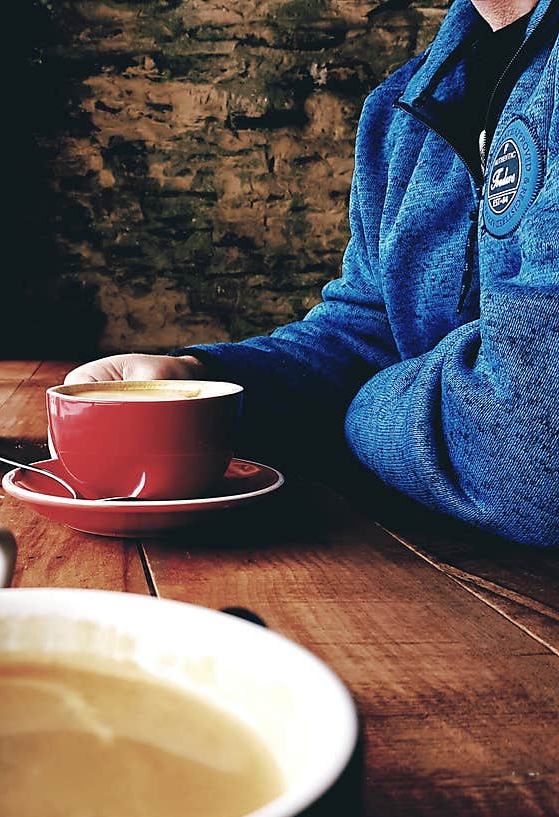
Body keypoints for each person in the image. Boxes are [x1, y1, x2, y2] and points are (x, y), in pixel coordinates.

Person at [66, 0, 559, 547]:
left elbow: (530, 451)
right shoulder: (401, 108)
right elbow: (367, 330)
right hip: (428, 576)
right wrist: (201, 382)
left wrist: (360, 412)